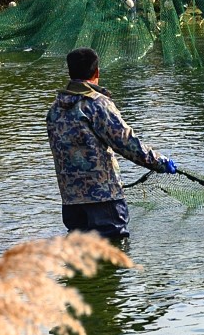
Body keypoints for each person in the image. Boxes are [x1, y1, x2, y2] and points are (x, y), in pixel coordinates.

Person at [47, 46, 176, 244]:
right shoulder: (97, 104)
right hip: (103, 199)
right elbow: (126, 143)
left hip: (72, 202)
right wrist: (159, 162)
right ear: (96, 72)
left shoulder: (55, 109)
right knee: (114, 252)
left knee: (81, 256)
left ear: (70, 72)